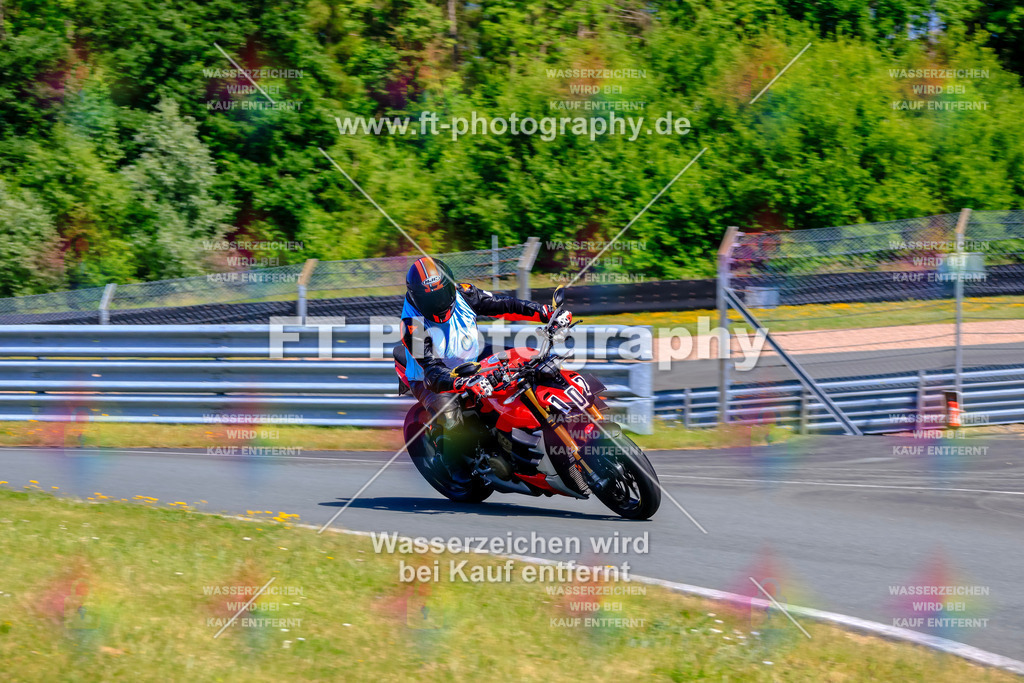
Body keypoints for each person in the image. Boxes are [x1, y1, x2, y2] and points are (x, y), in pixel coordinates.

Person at [396, 256, 571, 462]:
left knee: (528, 360)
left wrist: (545, 313)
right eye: (429, 300)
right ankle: (455, 463)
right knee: (452, 422)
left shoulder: (464, 293)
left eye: (441, 295)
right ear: (415, 297)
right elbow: (432, 371)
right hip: (433, 379)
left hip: (473, 357)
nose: (438, 304)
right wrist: (461, 382)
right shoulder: (412, 326)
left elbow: (504, 305)